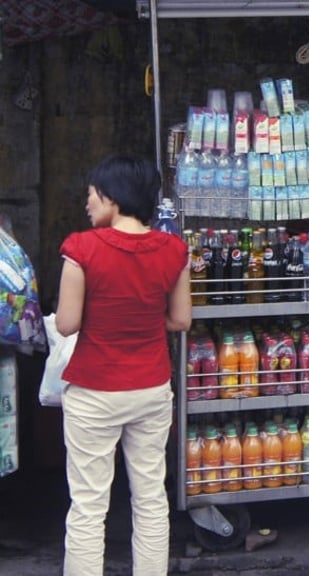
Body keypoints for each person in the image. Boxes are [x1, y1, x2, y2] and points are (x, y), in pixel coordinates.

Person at [56, 154, 192, 575]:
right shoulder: (175, 251)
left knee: (89, 504)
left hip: (94, 390)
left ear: (113, 197)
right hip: (151, 388)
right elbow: (181, 320)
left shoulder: (80, 248)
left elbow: (66, 324)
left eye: (91, 194)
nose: (87, 203)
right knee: (151, 497)